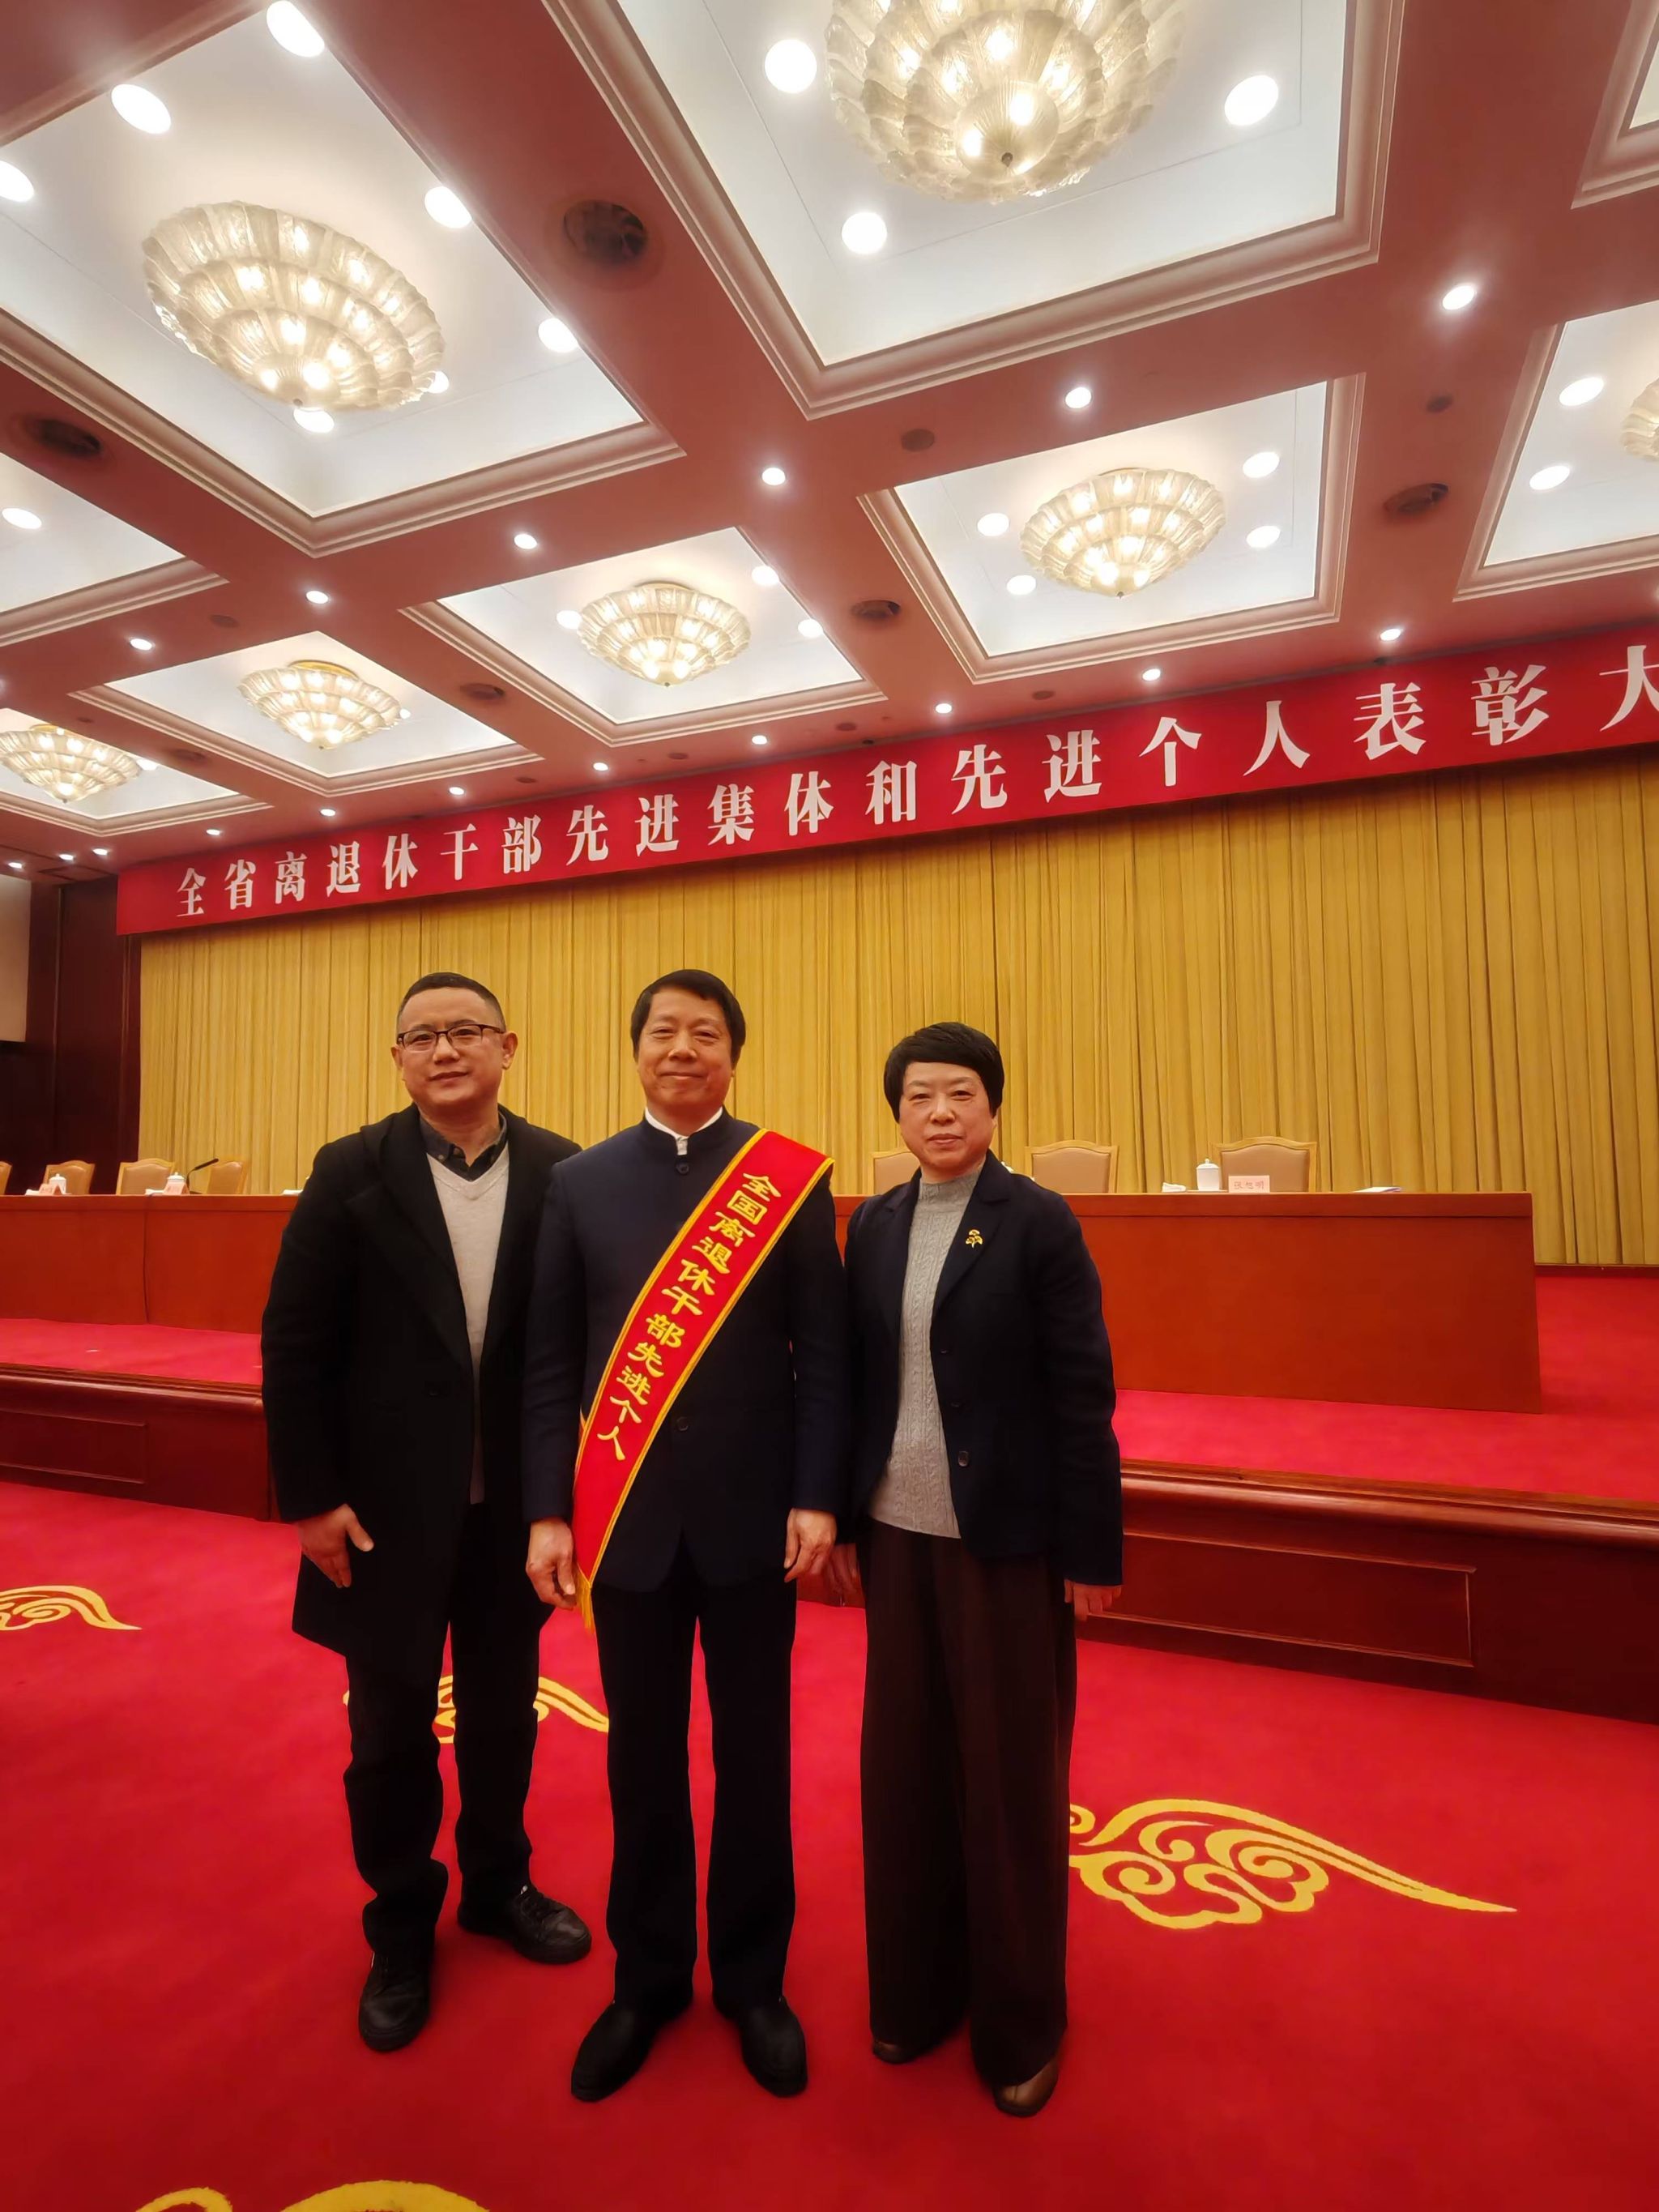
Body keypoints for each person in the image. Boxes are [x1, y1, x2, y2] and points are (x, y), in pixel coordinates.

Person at [522, 968, 847, 2103]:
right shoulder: (580, 1183)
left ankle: (755, 1981)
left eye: (705, 1033)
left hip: (759, 1523)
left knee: (756, 1759)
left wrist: (817, 1492)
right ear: (636, 1051)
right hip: (627, 1528)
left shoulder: (785, 1179)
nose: (682, 1048)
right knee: (643, 1761)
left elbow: (826, 1353)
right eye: (663, 1031)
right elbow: (551, 1361)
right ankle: (648, 1978)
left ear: (732, 1055)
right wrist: (548, 1508)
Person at [261, 972, 591, 2053]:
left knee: (503, 1715)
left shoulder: (561, 1171)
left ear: (508, 1046)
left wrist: (566, 1497)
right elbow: (294, 1343)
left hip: (512, 1516)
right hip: (381, 1516)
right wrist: (312, 1498)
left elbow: (577, 1344)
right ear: (398, 1059)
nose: (445, 1051)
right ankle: (400, 1922)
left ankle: (499, 1885)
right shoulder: (351, 1170)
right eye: (422, 1036)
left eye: (465, 1032)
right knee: (389, 1732)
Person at [825, 1021, 1123, 2118]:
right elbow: (856, 1382)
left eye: (960, 1093)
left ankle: (1020, 2022)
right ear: (896, 1114)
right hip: (896, 1536)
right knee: (903, 1773)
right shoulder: (876, 1223)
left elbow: (1083, 1393)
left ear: (993, 1107)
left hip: (1006, 1542)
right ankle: (915, 1990)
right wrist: (843, 1516)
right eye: (919, 1096)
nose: (940, 1112)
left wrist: (1090, 1548)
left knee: (1008, 1784)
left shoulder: (1039, 1222)